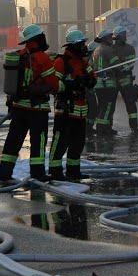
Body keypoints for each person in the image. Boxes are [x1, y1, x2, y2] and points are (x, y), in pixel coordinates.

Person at [0, 24, 60, 182]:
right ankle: (38, 174)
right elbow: (54, 84)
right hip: (37, 109)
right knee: (38, 141)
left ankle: (4, 173)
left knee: (13, 141)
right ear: (38, 39)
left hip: (18, 107)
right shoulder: (42, 58)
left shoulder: (20, 55)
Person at [48, 30, 96, 181]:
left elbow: (93, 78)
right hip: (66, 110)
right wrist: (69, 84)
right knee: (60, 141)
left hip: (80, 110)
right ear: (74, 46)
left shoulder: (83, 62)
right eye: (81, 44)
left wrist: (87, 80)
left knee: (78, 143)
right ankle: (55, 171)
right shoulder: (61, 62)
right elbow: (53, 84)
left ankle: (73, 171)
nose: (84, 47)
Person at [93, 25, 138, 135]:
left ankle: (134, 127)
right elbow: (114, 64)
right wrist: (119, 66)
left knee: (131, 104)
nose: (125, 36)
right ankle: (108, 127)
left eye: (125, 34)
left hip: (126, 81)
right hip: (113, 81)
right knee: (110, 105)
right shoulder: (110, 49)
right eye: (123, 35)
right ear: (117, 37)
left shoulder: (130, 48)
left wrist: (125, 67)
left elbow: (130, 64)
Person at [86, 28, 114, 136]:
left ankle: (98, 127)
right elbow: (116, 65)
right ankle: (103, 128)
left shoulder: (96, 51)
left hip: (98, 84)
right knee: (107, 106)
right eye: (110, 37)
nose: (112, 39)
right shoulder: (106, 50)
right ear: (105, 39)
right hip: (106, 83)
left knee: (100, 107)